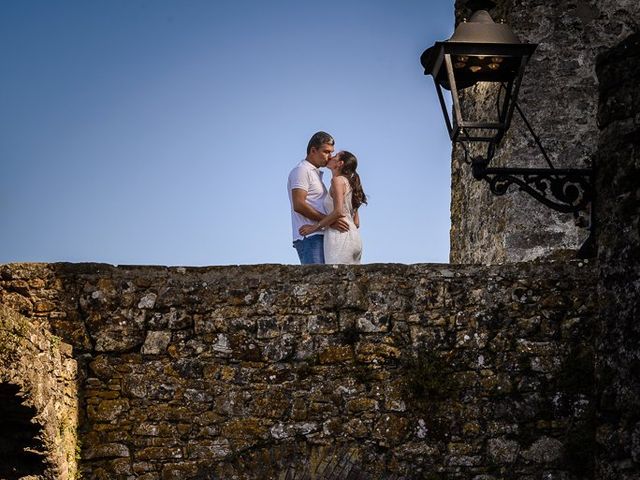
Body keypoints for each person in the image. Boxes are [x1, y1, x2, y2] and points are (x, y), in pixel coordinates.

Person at [287, 131, 349, 264]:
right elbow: (298, 204)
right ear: (313, 150)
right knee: (316, 282)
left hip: (320, 235)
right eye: (326, 152)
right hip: (309, 237)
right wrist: (329, 221)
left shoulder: (314, 174)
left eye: (331, 152)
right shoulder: (301, 170)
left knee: (326, 282)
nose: (330, 156)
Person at [299, 150, 367, 264]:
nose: (330, 157)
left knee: (336, 278)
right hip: (353, 236)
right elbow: (356, 223)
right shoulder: (349, 183)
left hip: (340, 236)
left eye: (335, 156)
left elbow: (339, 211)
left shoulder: (337, 180)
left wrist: (313, 228)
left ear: (340, 163)